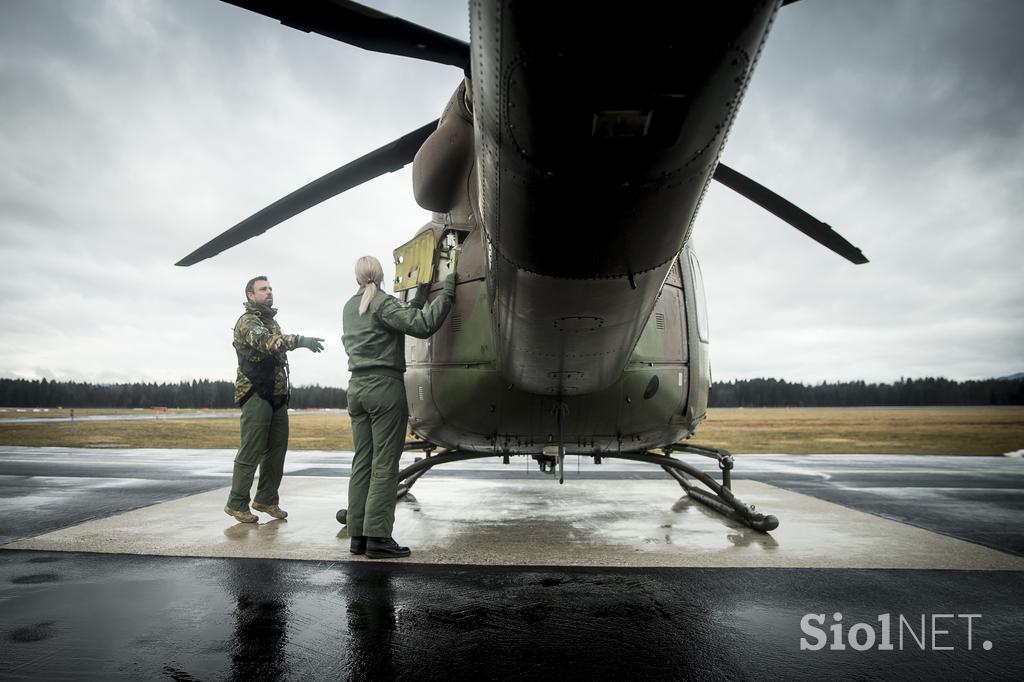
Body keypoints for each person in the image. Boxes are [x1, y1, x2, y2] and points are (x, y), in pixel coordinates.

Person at [342, 255, 456, 559]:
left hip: (356, 388)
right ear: (380, 276)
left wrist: (417, 297)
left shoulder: (350, 307)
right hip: (384, 387)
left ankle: (358, 537)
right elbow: (424, 325)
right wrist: (448, 292)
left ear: (357, 278)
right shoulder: (382, 302)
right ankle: (378, 537)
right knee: (384, 463)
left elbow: (398, 316)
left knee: (362, 462)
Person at [224, 275, 324, 523]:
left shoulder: (271, 322)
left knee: (277, 450)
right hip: (255, 393)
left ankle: (266, 500)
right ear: (250, 295)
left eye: (270, 288)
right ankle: (236, 502)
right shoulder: (247, 322)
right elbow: (269, 344)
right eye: (263, 289)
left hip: (278, 395)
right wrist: (299, 341)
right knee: (252, 449)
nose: (269, 292)